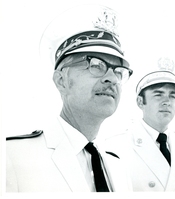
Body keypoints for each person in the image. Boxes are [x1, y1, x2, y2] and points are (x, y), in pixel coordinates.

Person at [6, 4, 133, 192]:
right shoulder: (11, 157)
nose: (112, 79)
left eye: (118, 71)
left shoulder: (118, 168)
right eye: (96, 65)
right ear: (61, 80)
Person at [105, 58, 175, 191]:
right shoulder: (117, 147)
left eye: (172, 96)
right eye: (158, 95)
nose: (167, 102)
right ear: (140, 102)